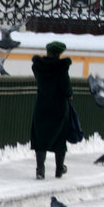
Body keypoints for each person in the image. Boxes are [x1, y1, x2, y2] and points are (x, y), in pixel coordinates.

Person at [30, 40, 73, 179]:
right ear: (59, 53)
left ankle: (40, 170)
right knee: (59, 138)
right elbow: (67, 89)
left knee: (40, 137)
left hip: (41, 106)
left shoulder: (39, 67)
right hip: (58, 108)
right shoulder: (61, 68)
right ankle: (59, 169)